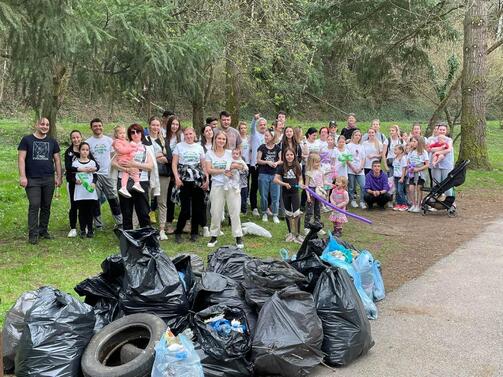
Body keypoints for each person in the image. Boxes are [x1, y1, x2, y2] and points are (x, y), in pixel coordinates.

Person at [18, 117, 62, 244]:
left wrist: (59, 177)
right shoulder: (27, 140)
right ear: (37, 124)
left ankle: (43, 230)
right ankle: (33, 234)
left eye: (47, 125)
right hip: (32, 179)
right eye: (42, 124)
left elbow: (57, 160)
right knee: (34, 205)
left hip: (48, 178)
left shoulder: (52, 141)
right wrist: (22, 176)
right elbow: (21, 159)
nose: (45, 126)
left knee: (46, 205)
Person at [205, 131, 245, 249]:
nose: (221, 141)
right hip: (217, 185)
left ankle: (238, 236)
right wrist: (223, 171)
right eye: (219, 139)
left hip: (232, 186)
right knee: (215, 211)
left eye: (223, 139)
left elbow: (242, 165)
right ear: (215, 139)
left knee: (234, 211)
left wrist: (236, 166)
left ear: (226, 141)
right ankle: (214, 235)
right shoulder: (209, 153)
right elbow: (209, 169)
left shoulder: (230, 153)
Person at [112, 123, 154, 229]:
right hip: (124, 182)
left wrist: (134, 164)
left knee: (143, 213)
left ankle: (146, 239)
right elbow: (113, 163)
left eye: (138, 131)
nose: (135, 134)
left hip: (141, 182)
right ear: (129, 134)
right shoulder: (123, 145)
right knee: (126, 214)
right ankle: (128, 241)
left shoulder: (146, 148)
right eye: (132, 132)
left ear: (142, 134)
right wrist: (126, 169)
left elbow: (150, 166)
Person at [172, 127, 208, 243]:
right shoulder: (179, 146)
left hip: (197, 180)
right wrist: (177, 178)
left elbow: (203, 165)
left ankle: (194, 232)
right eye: (186, 134)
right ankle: (178, 232)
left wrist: (206, 179)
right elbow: (174, 164)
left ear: (194, 134)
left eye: (190, 134)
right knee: (185, 210)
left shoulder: (199, 147)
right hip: (183, 181)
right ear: (184, 135)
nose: (188, 136)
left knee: (197, 208)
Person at [86, 118, 122, 229]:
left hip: (108, 174)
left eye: (99, 125)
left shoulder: (109, 140)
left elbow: (114, 156)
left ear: (103, 126)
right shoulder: (88, 142)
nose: (98, 127)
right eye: (95, 126)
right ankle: (98, 224)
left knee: (113, 199)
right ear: (91, 128)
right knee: (95, 201)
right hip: (94, 176)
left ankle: (120, 222)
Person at [64, 130, 99, 238]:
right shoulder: (69, 152)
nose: (76, 139)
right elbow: (68, 168)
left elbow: (96, 167)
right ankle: (73, 228)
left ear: (81, 137)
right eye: (73, 138)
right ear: (71, 139)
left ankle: (88, 227)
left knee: (88, 207)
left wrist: (94, 169)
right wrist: (80, 169)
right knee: (74, 206)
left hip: (87, 185)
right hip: (74, 183)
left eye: (78, 137)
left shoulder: (85, 149)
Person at [145, 116, 171, 240]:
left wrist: (163, 158)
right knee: (145, 201)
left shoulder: (164, 141)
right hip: (148, 174)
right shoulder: (144, 140)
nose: (155, 127)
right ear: (149, 125)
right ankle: (146, 227)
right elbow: (143, 157)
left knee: (162, 202)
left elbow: (169, 158)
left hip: (162, 175)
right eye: (153, 125)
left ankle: (162, 229)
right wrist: (157, 158)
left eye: (157, 125)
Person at [274, 147, 304, 243]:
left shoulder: (297, 165)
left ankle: (298, 235)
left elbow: (300, 178)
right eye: (287, 155)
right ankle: (290, 233)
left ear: (294, 155)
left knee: (296, 213)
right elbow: (275, 179)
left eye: (291, 154)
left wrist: (300, 183)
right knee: (288, 213)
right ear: (284, 156)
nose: (289, 156)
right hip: (286, 193)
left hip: (295, 193)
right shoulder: (282, 166)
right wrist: (284, 184)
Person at [72, 142, 99, 238]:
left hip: (90, 192)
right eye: (83, 149)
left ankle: (90, 230)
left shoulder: (92, 163)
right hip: (80, 191)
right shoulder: (75, 163)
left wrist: (93, 183)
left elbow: (95, 175)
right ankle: (83, 230)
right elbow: (71, 176)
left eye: (87, 150)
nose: (85, 151)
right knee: (82, 211)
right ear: (79, 151)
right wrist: (75, 181)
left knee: (90, 211)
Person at [257, 129, 282, 223]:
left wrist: (276, 163)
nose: (265, 137)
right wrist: (267, 162)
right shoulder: (262, 147)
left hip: (275, 175)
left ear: (272, 137)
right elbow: (258, 160)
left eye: (267, 136)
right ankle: (264, 213)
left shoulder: (277, 148)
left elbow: (281, 160)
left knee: (276, 195)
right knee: (263, 195)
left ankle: (275, 214)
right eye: (265, 136)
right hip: (263, 174)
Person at [112, 125, 144, 198]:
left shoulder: (125, 141)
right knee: (129, 171)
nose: (123, 135)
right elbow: (122, 150)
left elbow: (129, 149)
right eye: (120, 133)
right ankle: (128, 186)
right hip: (122, 159)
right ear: (116, 135)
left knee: (132, 170)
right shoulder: (117, 142)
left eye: (124, 133)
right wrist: (132, 149)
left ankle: (134, 184)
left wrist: (135, 148)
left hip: (126, 158)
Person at [165, 115, 184, 234]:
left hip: (180, 169)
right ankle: (169, 222)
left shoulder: (181, 137)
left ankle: (185, 222)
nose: (175, 126)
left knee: (183, 196)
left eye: (177, 124)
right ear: (169, 124)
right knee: (169, 197)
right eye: (173, 124)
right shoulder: (164, 137)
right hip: (167, 170)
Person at [249, 114, 267, 216]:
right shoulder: (254, 134)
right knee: (254, 186)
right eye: (261, 124)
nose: (263, 126)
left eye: (264, 124)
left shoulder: (269, 135)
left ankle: (266, 206)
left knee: (265, 187)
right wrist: (254, 119)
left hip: (266, 164)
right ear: (258, 126)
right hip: (255, 164)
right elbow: (252, 127)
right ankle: (254, 207)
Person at [429, 124, 454, 196]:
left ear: (446, 131)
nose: (442, 131)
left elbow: (448, 150)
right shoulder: (433, 139)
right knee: (436, 184)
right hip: (435, 165)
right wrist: (442, 148)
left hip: (446, 165)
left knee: (447, 184)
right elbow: (431, 149)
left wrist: (437, 152)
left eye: (443, 130)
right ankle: (435, 202)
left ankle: (449, 203)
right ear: (437, 130)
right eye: (440, 129)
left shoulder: (449, 140)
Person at [407, 135, 429, 213]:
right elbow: (408, 161)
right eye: (411, 141)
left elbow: (427, 164)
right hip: (412, 172)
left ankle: (419, 205)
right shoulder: (410, 152)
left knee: (419, 188)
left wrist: (418, 169)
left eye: (414, 141)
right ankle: (414, 204)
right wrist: (410, 167)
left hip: (420, 173)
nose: (412, 143)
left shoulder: (423, 152)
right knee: (411, 188)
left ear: (419, 142)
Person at [304, 152, 324, 234]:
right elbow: (306, 186)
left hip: (318, 191)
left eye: (319, 161)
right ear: (311, 162)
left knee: (318, 210)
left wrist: (323, 192)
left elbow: (322, 182)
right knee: (309, 211)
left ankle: (317, 226)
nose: (318, 163)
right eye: (316, 162)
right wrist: (308, 196)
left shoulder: (320, 171)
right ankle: (307, 227)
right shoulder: (309, 172)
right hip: (311, 191)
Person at [346, 129, 366, 209]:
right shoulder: (348, 146)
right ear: (353, 136)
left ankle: (362, 201)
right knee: (351, 186)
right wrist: (353, 168)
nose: (357, 137)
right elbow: (347, 158)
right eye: (356, 135)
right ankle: (352, 200)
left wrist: (361, 167)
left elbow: (363, 158)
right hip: (351, 169)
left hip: (360, 170)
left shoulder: (361, 146)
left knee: (363, 185)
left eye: (359, 135)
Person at [238, 121, 251, 214]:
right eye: (241, 128)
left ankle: (247, 198)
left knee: (247, 181)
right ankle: (240, 201)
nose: (243, 130)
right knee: (240, 181)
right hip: (240, 162)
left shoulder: (249, 138)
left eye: (244, 128)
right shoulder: (238, 139)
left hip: (248, 162)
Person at [392, 145, 408, 211]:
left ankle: (404, 204)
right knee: (397, 191)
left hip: (400, 177)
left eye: (396, 149)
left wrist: (402, 178)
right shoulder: (395, 158)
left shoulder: (403, 158)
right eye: (394, 149)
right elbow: (394, 168)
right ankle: (398, 204)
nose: (394, 151)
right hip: (396, 176)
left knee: (400, 190)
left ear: (401, 151)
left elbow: (404, 168)